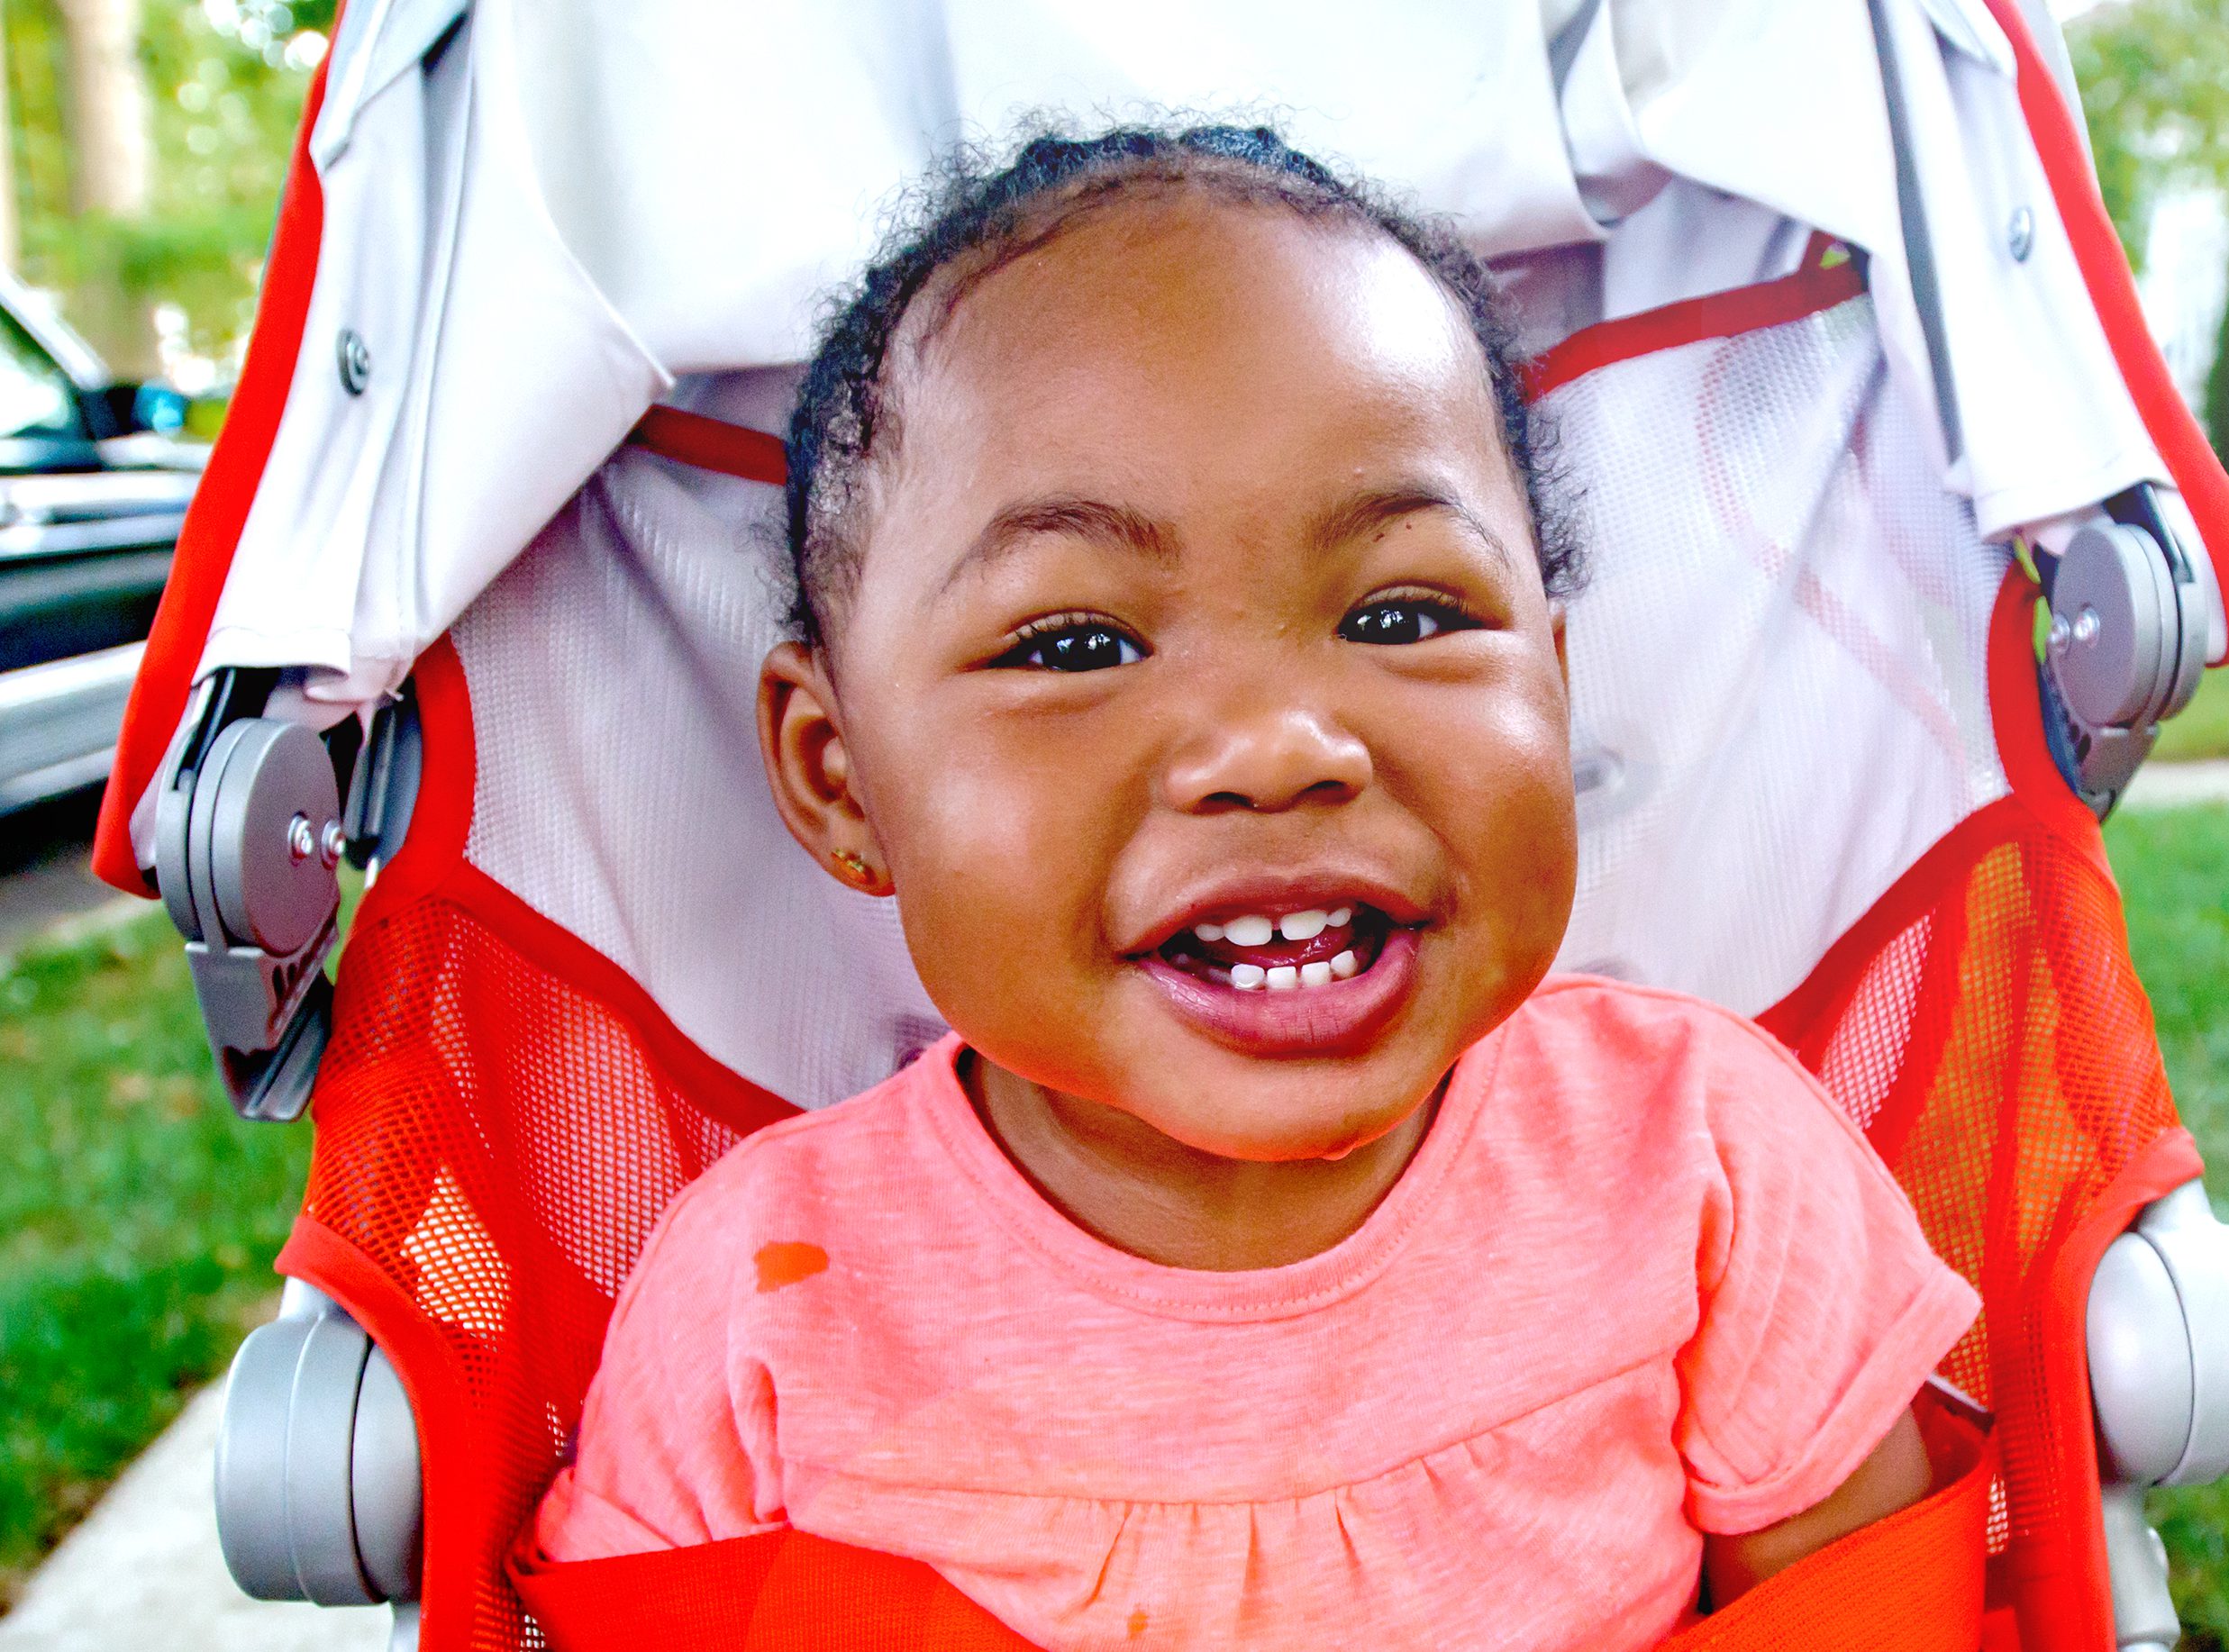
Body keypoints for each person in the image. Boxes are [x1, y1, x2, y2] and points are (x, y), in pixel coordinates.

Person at [527, 124, 1981, 1650]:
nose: (1278, 746)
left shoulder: (1701, 1167)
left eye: (1406, 610)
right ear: (840, 776)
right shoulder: (762, 1303)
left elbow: (1870, 1610)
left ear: (1552, 692)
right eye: (1076, 647)